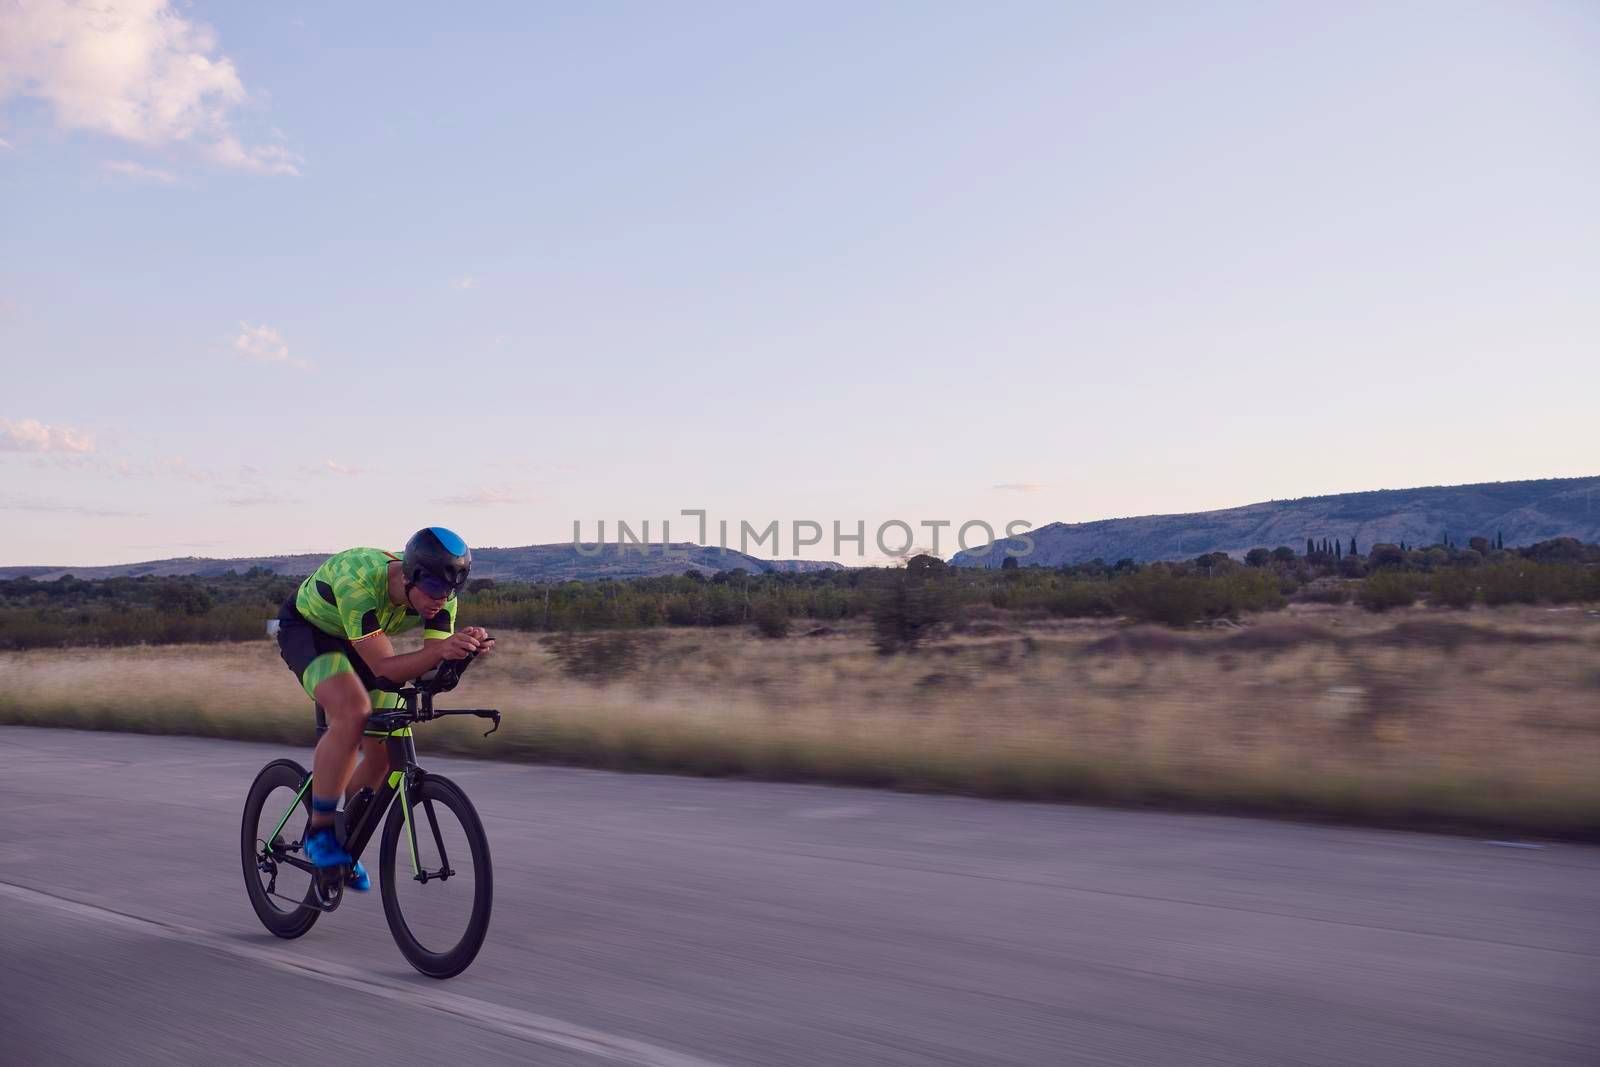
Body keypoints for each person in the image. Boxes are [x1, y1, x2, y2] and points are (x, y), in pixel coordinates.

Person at [274, 527, 493, 889]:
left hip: (363, 642)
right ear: (410, 576)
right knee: (353, 711)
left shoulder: (441, 598)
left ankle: (345, 839)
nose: (442, 600)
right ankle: (320, 832)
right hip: (312, 632)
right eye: (436, 590)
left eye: (452, 590)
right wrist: (439, 650)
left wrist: (462, 654)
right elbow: (385, 670)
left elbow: (429, 670)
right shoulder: (359, 580)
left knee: (386, 751)